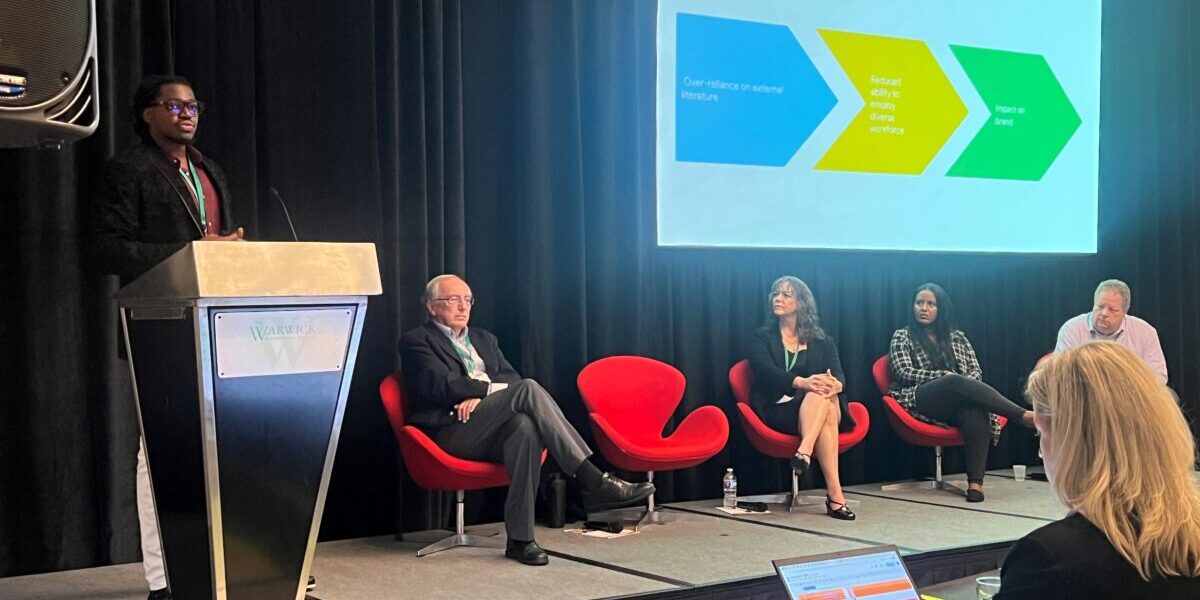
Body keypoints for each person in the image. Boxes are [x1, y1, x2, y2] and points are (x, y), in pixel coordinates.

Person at [93, 75, 243, 600]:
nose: (186, 113)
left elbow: (219, 245)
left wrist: (226, 254)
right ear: (147, 115)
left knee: (224, 451)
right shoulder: (127, 170)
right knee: (156, 453)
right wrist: (194, 251)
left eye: (193, 105)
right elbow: (108, 250)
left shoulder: (210, 170)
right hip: (157, 327)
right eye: (174, 105)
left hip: (219, 324)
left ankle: (230, 567)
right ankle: (163, 580)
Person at [399, 274, 655, 566]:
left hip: (488, 427)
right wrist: (487, 392)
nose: (463, 306)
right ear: (432, 306)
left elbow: (510, 378)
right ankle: (591, 478)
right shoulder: (416, 341)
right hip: (451, 431)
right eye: (453, 299)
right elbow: (441, 386)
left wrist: (484, 398)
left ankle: (521, 540)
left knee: (526, 428)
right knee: (529, 389)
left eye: (468, 300)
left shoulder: (484, 339)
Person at [997, 342, 1200, 598]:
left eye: (1040, 433)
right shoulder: (1187, 547)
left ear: (1071, 441)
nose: (1040, 451)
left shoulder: (1048, 560)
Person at [887, 284, 1033, 503]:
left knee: (976, 411)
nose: (924, 308)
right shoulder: (903, 335)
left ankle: (975, 484)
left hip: (956, 401)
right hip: (920, 397)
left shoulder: (957, 338)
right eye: (919, 303)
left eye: (930, 304)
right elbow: (903, 372)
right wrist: (943, 378)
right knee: (952, 380)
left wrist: (960, 384)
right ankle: (1022, 415)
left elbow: (975, 371)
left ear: (940, 309)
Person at [746, 276, 856, 520]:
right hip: (782, 409)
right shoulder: (762, 337)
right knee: (822, 400)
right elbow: (763, 371)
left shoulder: (822, 341)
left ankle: (804, 450)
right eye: (776, 293)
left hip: (820, 404)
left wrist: (836, 384)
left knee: (823, 394)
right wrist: (802, 383)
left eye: (786, 294)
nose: (778, 298)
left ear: (802, 303)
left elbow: (839, 375)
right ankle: (836, 497)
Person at [1055, 279, 1168, 384]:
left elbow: (1158, 376)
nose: (1104, 313)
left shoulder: (1145, 332)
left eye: (1112, 310)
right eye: (1100, 306)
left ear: (1125, 312)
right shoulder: (1071, 329)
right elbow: (1060, 372)